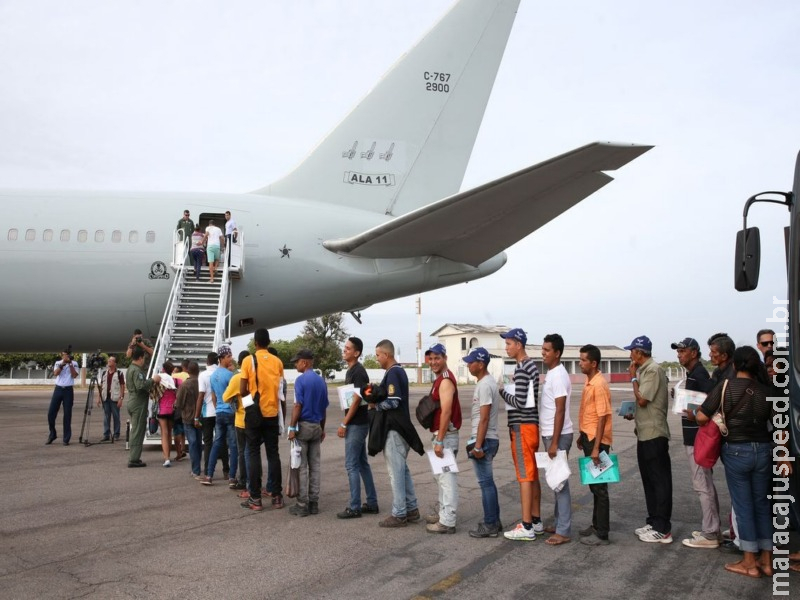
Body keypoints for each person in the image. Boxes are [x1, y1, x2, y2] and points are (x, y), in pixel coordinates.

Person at [696, 346, 777, 578]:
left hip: (736, 451)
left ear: (735, 364)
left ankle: (750, 562)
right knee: (762, 504)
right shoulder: (766, 390)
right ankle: (767, 560)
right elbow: (777, 423)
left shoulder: (726, 387)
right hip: (763, 450)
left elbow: (702, 416)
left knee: (743, 506)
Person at [366, 339, 423, 528]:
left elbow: (394, 402)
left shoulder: (394, 373)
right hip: (399, 429)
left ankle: (399, 513)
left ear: (387, 354)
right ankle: (411, 508)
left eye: (378, 355)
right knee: (402, 470)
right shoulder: (394, 373)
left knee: (395, 472)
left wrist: (375, 405)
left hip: (395, 429)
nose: (377, 359)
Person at [671, 337, 720, 549]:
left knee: (702, 485)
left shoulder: (699, 373)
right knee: (704, 484)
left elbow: (713, 398)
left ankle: (710, 534)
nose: (679, 354)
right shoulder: (692, 374)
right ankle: (712, 528)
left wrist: (698, 413)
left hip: (698, 438)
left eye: (682, 351)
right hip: (693, 437)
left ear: (693, 352)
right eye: (678, 351)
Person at [624, 335, 672, 543]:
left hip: (654, 434)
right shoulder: (645, 370)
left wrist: (633, 378)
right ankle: (653, 521)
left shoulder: (652, 370)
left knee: (660, 481)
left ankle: (663, 528)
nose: (630, 355)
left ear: (639, 353)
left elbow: (643, 399)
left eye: (632, 351)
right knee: (649, 480)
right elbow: (642, 404)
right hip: (644, 433)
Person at [497, 328, 543, 541]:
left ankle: (526, 526)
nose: (506, 348)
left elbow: (520, 401)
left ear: (518, 344)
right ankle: (535, 520)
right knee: (532, 475)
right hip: (530, 426)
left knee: (524, 475)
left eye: (508, 344)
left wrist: (502, 391)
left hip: (522, 426)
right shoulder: (528, 366)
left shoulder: (523, 367)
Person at [240, 328, 285, 511]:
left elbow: (243, 390)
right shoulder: (277, 361)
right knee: (273, 454)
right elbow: (281, 390)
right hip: (272, 413)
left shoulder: (248, 360)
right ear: (269, 342)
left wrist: (249, 406)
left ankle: (255, 498)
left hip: (254, 413)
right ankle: (276, 496)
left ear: (255, 342)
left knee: (253, 453)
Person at [336, 337, 379, 519]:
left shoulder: (358, 372)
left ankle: (355, 507)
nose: (344, 350)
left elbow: (356, 400)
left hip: (356, 424)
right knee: (361, 464)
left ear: (357, 353)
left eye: (348, 348)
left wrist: (344, 422)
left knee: (351, 465)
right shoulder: (352, 371)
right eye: (344, 348)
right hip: (359, 423)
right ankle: (371, 503)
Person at [463, 347, 503, 539]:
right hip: (486, 438)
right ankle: (494, 520)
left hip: (485, 439)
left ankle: (490, 524)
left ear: (480, 364)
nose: (468, 365)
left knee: (485, 483)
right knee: (488, 482)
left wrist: (478, 446)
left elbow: (484, 418)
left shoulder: (485, 385)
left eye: (471, 362)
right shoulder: (485, 382)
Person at [576, 344, 613, 546]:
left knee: (600, 487)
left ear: (594, 363)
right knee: (594, 486)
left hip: (597, 442)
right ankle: (596, 524)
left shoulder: (599, 384)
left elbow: (601, 418)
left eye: (583, 360)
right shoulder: (590, 381)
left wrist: (597, 447)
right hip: (589, 437)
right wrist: (582, 435)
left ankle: (602, 533)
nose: (580, 363)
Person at [539, 333, 573, 546]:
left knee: (560, 482)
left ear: (557, 353)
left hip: (557, 435)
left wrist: (554, 442)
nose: (543, 353)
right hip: (551, 433)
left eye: (547, 350)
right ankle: (559, 521)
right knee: (555, 480)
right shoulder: (552, 373)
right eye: (542, 349)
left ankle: (564, 530)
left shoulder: (559, 375)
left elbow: (560, 410)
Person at [424, 343, 461, 534]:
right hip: (442, 435)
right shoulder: (441, 378)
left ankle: (447, 521)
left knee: (447, 479)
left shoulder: (445, 380)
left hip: (445, 437)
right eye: (431, 358)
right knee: (441, 478)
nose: (433, 362)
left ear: (445, 358)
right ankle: (443, 513)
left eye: (437, 358)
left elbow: (446, 411)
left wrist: (439, 440)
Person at [287, 349, 329, 517]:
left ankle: (302, 504)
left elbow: (298, 405)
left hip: (303, 427)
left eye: (297, 362)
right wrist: (322, 428)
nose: (296, 365)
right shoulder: (321, 381)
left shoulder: (300, 380)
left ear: (304, 362)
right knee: (315, 466)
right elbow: (324, 408)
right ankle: (314, 503)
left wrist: (291, 427)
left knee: (302, 467)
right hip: (317, 427)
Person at [201, 345, 237, 486]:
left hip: (219, 412)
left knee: (217, 443)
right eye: (228, 356)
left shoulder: (213, 376)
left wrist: (218, 409)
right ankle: (232, 476)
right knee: (233, 445)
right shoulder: (230, 375)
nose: (231, 358)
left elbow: (214, 396)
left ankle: (209, 475)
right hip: (229, 412)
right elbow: (234, 396)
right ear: (221, 358)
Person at [126, 346, 161, 467]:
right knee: (138, 431)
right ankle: (134, 458)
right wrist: (153, 380)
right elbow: (140, 385)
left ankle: (135, 456)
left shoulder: (131, 368)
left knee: (136, 430)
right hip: (138, 403)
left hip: (133, 401)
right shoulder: (136, 370)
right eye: (143, 358)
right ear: (140, 358)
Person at [223, 351, 252, 494]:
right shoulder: (256, 376)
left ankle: (244, 481)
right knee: (253, 452)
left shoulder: (237, 378)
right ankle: (254, 479)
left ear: (240, 363)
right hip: (256, 419)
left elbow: (225, 397)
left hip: (241, 420)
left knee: (243, 452)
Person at [197, 352, 229, 480]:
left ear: (207, 361)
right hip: (222, 411)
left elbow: (201, 396)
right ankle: (227, 471)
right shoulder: (224, 373)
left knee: (208, 442)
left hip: (208, 412)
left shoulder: (203, 375)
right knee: (223, 442)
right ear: (218, 361)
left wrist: (196, 416)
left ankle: (208, 472)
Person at [174, 361, 202, 477]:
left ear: (188, 371)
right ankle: (198, 466)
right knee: (198, 442)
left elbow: (179, 403)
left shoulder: (185, 385)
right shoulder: (202, 382)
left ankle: (195, 469)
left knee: (192, 443)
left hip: (188, 417)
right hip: (200, 416)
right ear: (198, 371)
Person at [47, 348, 79, 445]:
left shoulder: (74, 363)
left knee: (67, 414)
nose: (65, 357)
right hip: (58, 389)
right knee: (51, 413)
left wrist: (69, 364)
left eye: (66, 355)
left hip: (68, 390)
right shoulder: (58, 363)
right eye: (63, 355)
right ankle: (52, 433)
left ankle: (66, 438)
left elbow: (74, 375)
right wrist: (62, 365)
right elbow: (56, 373)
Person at [96, 355, 124, 442]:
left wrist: (121, 398)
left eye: (111, 361)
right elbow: (101, 386)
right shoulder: (104, 373)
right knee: (106, 417)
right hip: (105, 398)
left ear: (115, 363)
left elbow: (122, 386)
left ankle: (116, 434)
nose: (109, 362)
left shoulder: (119, 373)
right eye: (109, 361)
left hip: (114, 398)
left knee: (116, 416)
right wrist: (98, 397)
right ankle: (106, 434)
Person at [156, 362, 177, 467]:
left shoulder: (161, 377)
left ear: (163, 369)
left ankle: (166, 458)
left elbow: (153, 380)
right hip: (172, 409)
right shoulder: (173, 380)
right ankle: (168, 455)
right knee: (169, 432)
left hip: (163, 409)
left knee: (164, 433)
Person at [171, 360, 189, 461]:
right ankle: (183, 448)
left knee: (177, 430)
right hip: (188, 407)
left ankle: (179, 452)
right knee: (184, 430)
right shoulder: (190, 376)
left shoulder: (175, 377)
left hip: (177, 406)